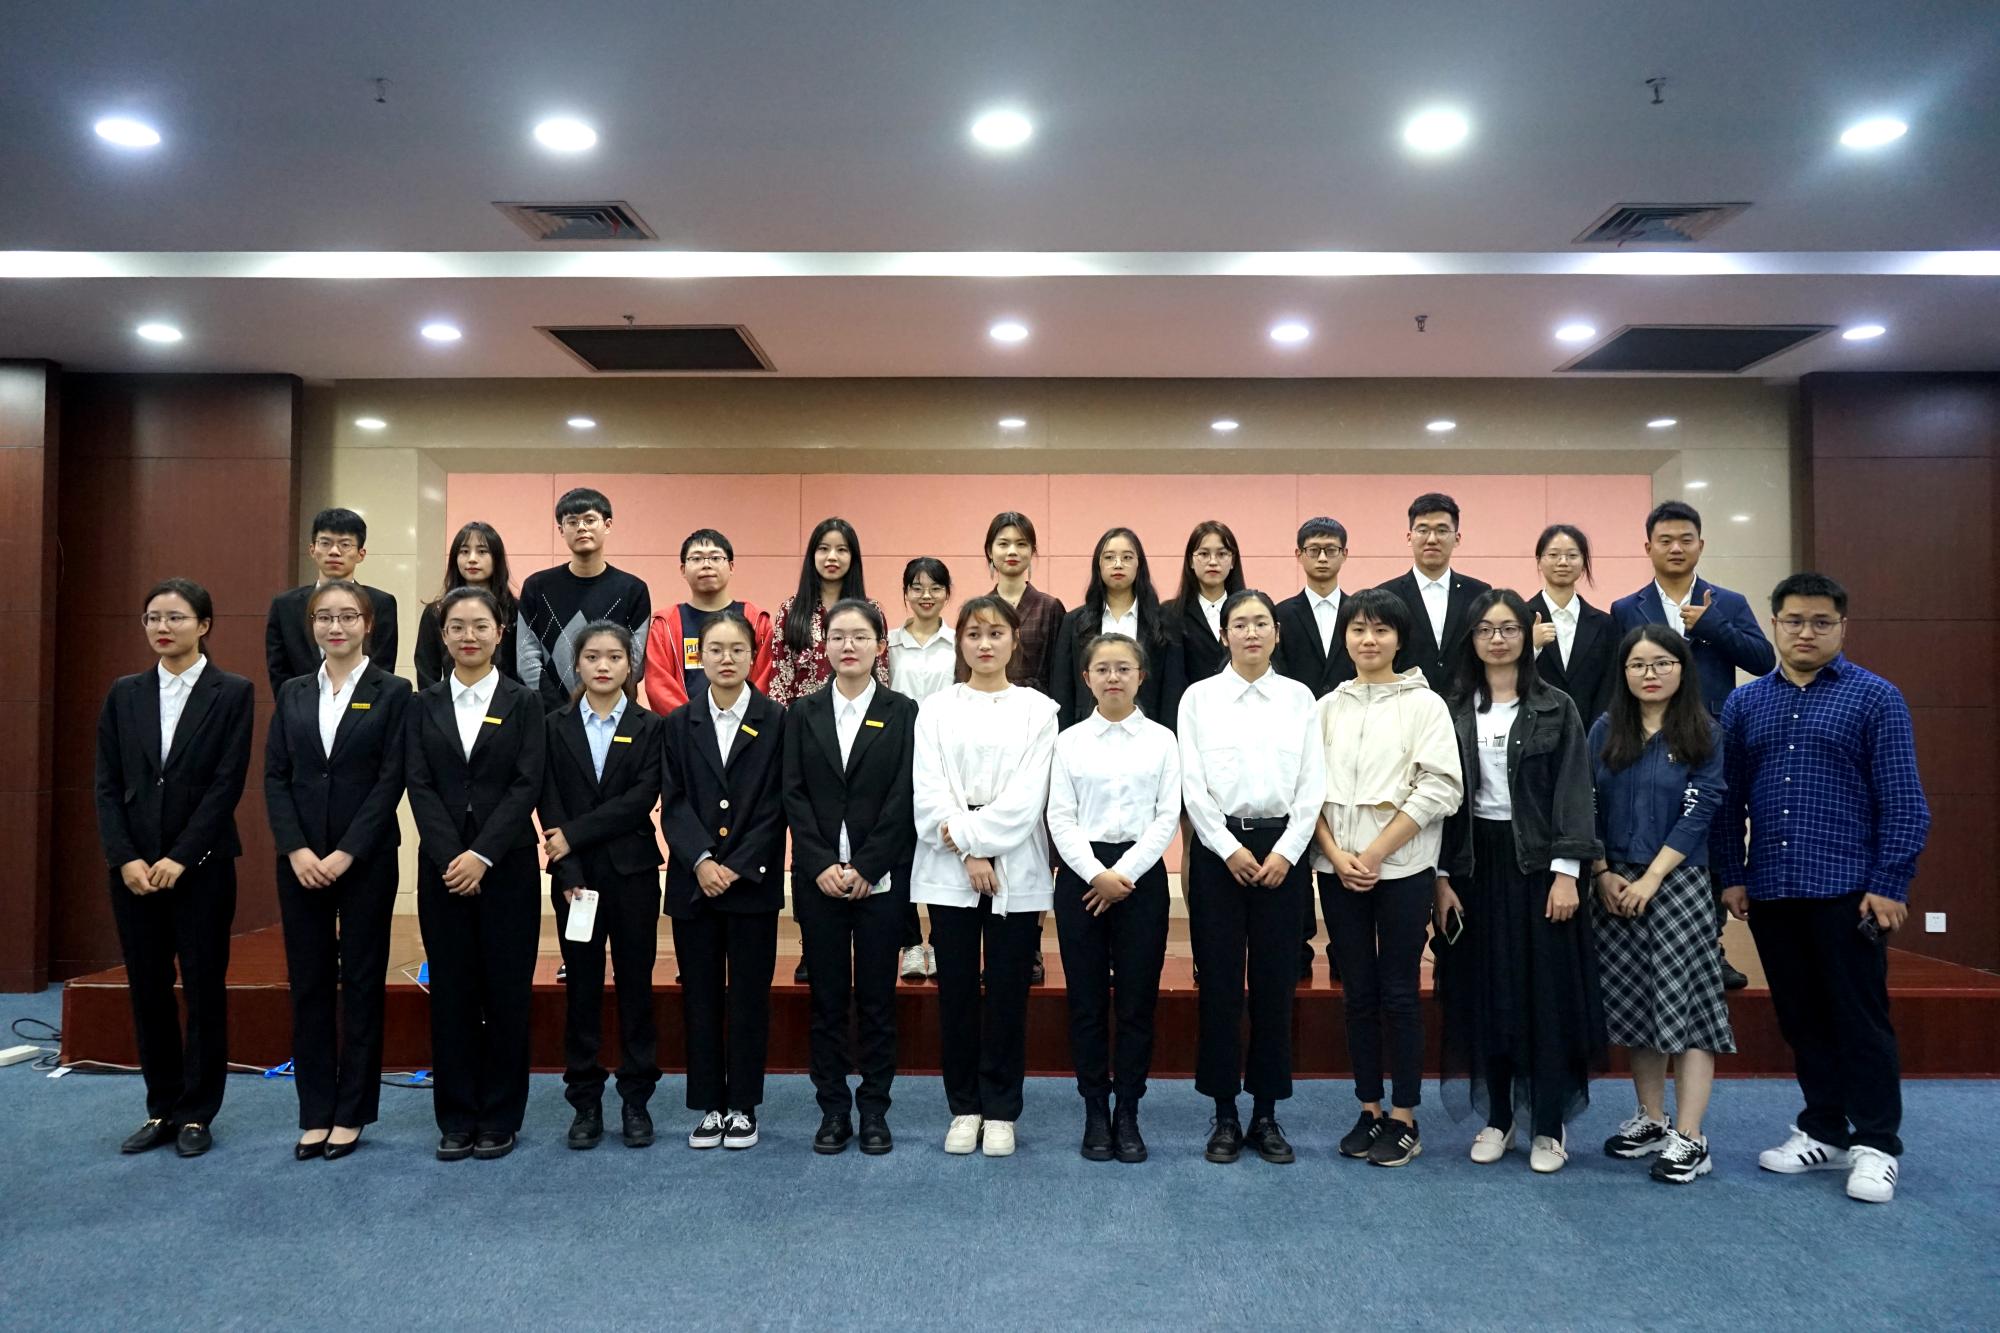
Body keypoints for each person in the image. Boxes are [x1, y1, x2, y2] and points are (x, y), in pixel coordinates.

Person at [1718, 573, 1930, 1205]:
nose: (1805, 632)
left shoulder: (1876, 698)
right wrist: (1732, 873)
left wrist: (1890, 882)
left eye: (1820, 622)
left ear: (1842, 627)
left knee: (1859, 1019)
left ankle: (1877, 1144)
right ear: (1774, 626)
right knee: (1801, 1018)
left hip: (1849, 890)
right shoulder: (1746, 704)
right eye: (1793, 621)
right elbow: (1728, 801)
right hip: (1774, 889)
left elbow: (1905, 802)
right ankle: (1824, 1129)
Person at [1435, 589, 1605, 1174]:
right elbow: (1441, 799)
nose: (1497, 639)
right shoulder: (1454, 708)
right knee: (1488, 994)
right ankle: (1499, 1117)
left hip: (1538, 866)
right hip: (1474, 866)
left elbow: (1575, 792)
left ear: (1527, 634)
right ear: (1472, 639)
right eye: (1485, 629)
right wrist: (1441, 876)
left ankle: (1549, 1125)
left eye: (1508, 628)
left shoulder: (1556, 706)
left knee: (1544, 996)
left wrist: (1567, 873)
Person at [95, 578, 255, 1158]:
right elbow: (107, 784)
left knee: (204, 988)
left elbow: (226, 785)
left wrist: (180, 856)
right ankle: (161, 1106)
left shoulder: (232, 692)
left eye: (176, 617)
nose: (163, 627)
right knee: (148, 989)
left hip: (202, 866)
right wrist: (126, 857)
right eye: (153, 618)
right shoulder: (125, 693)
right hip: (134, 871)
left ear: (204, 625)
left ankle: (197, 1113)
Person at [1311, 588, 1463, 1168]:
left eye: (1380, 630)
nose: (1368, 639)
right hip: (1337, 868)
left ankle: (1404, 1116)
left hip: (1401, 868)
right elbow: (1307, 790)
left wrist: (1374, 852)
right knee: (1357, 992)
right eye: (1358, 629)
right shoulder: (1327, 706)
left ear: (1400, 638)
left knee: (1399, 992)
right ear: (1345, 638)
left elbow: (1440, 787)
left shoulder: (1425, 705)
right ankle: (1368, 1107)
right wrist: (1334, 853)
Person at [264, 580, 412, 1160]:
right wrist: (296, 849)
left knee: (363, 983)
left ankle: (352, 1112)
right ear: (312, 627)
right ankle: (314, 1111)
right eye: (324, 617)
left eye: (348, 616)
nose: (336, 626)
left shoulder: (393, 691)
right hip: (300, 861)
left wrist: (347, 850)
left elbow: (392, 778)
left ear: (367, 624)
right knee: (308, 984)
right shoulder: (294, 691)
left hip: (366, 857)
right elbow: (276, 776)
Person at [910, 595, 1060, 1158]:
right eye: (973, 634)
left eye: (996, 633)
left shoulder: (1038, 711)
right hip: (950, 865)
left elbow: (1027, 799)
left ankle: (1000, 1109)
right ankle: (963, 1106)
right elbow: (929, 791)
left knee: (1007, 991)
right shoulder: (936, 709)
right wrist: (970, 853)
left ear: (1015, 640)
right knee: (955, 990)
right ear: (960, 643)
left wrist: (980, 843)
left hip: (1016, 865)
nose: (985, 643)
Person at [1178, 589, 1323, 1166]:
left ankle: (1265, 1113)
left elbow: (1313, 784)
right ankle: (1223, 1113)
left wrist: (1287, 852)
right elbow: (1192, 784)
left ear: (1277, 633)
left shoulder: (1299, 698)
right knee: (1218, 985)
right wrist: (1227, 847)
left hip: (1283, 852)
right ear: (1225, 634)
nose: (1252, 633)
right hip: (1220, 852)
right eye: (1240, 624)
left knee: (1274, 986)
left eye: (1262, 623)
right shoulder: (1199, 698)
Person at [1610, 500, 1777, 992]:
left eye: (1686, 539)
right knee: (1656, 833)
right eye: (1665, 540)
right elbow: (1618, 676)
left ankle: (1710, 947)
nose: (1676, 548)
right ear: (1648, 547)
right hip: (1646, 739)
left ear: (1701, 545)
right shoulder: (1626, 608)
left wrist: (1711, 626)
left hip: (1710, 738)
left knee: (1713, 834)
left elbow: (1762, 659)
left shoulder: (1727, 602)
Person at [405, 586, 547, 1162]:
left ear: (499, 633)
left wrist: (481, 854)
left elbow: (527, 783)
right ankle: (457, 1117)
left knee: (507, 994)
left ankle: (500, 1117)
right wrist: (451, 856)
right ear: (443, 636)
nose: (469, 636)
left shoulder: (524, 702)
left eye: (480, 626)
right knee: (452, 995)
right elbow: (418, 784)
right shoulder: (422, 704)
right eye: (457, 627)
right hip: (443, 870)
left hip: (507, 866)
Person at [1589, 625, 1734, 1185]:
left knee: (1689, 1008)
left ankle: (1692, 1137)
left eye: (1661, 663)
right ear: (1623, 672)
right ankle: (1651, 1119)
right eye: (1638, 665)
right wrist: (1602, 872)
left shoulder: (1704, 732)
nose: (1649, 674)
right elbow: (1586, 803)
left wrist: (1651, 878)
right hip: (1614, 883)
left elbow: (1701, 811)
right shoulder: (1606, 729)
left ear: (1681, 668)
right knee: (1638, 1004)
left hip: (1677, 881)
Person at [780, 599, 919, 1156]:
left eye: (860, 636)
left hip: (880, 881)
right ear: (825, 646)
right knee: (828, 1000)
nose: (849, 646)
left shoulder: (903, 711)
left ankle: (876, 1109)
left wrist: (867, 866)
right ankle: (834, 1109)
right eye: (838, 636)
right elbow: (792, 793)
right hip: (819, 881)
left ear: (880, 646)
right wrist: (820, 864)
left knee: (879, 1000)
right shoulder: (802, 712)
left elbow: (905, 795)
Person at [658, 610, 788, 1153]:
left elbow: (778, 801)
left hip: (751, 883)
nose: (727, 659)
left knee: (750, 997)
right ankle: (710, 1105)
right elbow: (673, 802)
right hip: (694, 884)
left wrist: (736, 865)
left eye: (737, 649)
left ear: (753, 656)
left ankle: (744, 1107)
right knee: (701, 997)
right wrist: (702, 860)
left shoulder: (776, 719)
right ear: (700, 657)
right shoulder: (678, 722)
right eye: (715, 649)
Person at [1047, 632, 1180, 1163]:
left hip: (1141, 877)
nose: (1113, 677)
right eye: (1102, 669)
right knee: (1085, 1002)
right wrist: (1095, 874)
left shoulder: (1162, 740)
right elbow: (1060, 816)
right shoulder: (1069, 741)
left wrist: (1121, 874)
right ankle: (1094, 1110)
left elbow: (1167, 816)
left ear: (1141, 676)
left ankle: (1128, 1110)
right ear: (1087, 678)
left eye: (1124, 668)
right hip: (1081, 877)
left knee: (1135, 1002)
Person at [540, 623, 667, 1152]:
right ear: (577, 664)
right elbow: (548, 799)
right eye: (592, 656)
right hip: (576, 881)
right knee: (582, 992)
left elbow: (640, 799)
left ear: (629, 665)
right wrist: (568, 868)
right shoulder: (553, 725)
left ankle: (636, 1100)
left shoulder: (650, 726)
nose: (603, 666)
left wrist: (573, 834)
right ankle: (585, 1102)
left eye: (614, 656)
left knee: (637, 989)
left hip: (634, 875)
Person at [1274, 516, 1358, 981]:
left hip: (1351, 741)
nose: (1322, 557)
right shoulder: (1280, 615)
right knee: (1299, 839)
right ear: (1299, 555)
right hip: (1294, 745)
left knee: (1342, 838)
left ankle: (1347, 949)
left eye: (1331, 549)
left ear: (1345, 554)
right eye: (1313, 549)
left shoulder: (1362, 613)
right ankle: (1298, 944)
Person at [517, 486, 652, 711]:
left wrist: (598, 705)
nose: (581, 527)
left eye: (590, 520)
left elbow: (635, 661)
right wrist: (560, 711)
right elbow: (526, 656)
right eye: (572, 522)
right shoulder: (536, 586)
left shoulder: (632, 589)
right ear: (561, 530)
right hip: (549, 716)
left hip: (613, 713)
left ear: (607, 525)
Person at [887, 557, 956, 981]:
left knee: (943, 844)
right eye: (917, 587)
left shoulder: (959, 643)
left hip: (947, 757)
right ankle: (911, 943)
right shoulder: (889, 644)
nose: (926, 595)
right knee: (903, 850)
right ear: (905, 594)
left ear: (948, 594)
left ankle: (944, 941)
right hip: (897, 754)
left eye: (935, 587)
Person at [1048, 527, 1183, 732]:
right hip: (1087, 730)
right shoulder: (1074, 622)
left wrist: (1168, 735)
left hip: (1148, 730)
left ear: (1139, 564)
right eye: (1109, 557)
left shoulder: (1164, 621)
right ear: (1098, 565)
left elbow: (1172, 688)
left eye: (1127, 557)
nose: (1118, 564)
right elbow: (1062, 688)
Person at [265, 507, 400, 697]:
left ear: (361, 554)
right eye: (325, 543)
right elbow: (279, 672)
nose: (334, 551)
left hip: (364, 708)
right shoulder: (285, 605)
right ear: (312, 550)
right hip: (300, 708)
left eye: (345, 544)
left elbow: (383, 667)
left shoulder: (381, 603)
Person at [642, 527, 774, 713]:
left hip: (745, 724)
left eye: (715, 557)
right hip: (684, 727)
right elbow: (659, 686)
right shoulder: (665, 625)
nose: (706, 565)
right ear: (683, 570)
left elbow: (765, 678)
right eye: (696, 558)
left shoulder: (756, 620)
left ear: (731, 567)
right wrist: (692, 721)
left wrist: (740, 718)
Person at [1376, 492, 1491, 694]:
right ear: (1409, 537)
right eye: (1423, 530)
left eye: (1442, 530)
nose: (1432, 539)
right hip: (1405, 702)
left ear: (1457, 538)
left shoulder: (1479, 593)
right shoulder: (1385, 595)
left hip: (1467, 703)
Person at [770, 517, 893, 707]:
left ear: (853, 557)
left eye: (842, 550)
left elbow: (880, 673)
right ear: (812, 555)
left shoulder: (871, 611)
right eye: (823, 549)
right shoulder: (791, 610)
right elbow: (780, 679)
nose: (832, 557)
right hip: (803, 718)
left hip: (858, 714)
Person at [1525, 523, 1616, 728]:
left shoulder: (1604, 624)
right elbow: (1507, 676)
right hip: (1532, 731)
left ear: (1583, 563)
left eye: (1572, 556)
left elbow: (1609, 686)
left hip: (1589, 732)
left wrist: (1597, 733)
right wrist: (1532, 647)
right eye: (1553, 555)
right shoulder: (1520, 618)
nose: (1563, 562)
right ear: (1539, 561)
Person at [416, 521, 520, 690]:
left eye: (482, 552)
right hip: (449, 701)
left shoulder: (516, 611)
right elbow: (426, 672)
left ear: (496, 558)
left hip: (506, 701)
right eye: (464, 551)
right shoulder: (436, 612)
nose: (472, 559)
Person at [984, 511, 1066, 694]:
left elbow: (1061, 674)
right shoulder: (980, 610)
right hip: (988, 703)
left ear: (1032, 551)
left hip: (1039, 704)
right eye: (1003, 544)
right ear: (990, 551)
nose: (1012, 551)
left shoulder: (1049, 608)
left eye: (1021, 544)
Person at [1171, 520, 1244, 686]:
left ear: (1233, 561)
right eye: (1204, 554)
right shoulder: (1171, 613)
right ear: (1191, 561)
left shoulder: (1248, 612)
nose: (1213, 561)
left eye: (1222, 554)